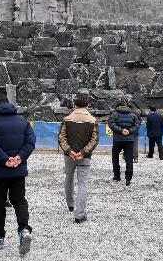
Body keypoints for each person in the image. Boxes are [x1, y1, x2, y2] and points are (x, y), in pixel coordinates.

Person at [0, 96, 36, 255]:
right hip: (18, 170)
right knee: (19, 201)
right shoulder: (23, 122)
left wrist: (5, 159)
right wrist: (19, 157)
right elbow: (31, 141)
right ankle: (24, 229)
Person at [58, 94, 99, 224]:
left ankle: (70, 204)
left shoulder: (67, 119)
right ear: (87, 106)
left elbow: (61, 137)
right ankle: (79, 214)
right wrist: (83, 152)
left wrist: (69, 151)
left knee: (68, 179)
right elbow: (94, 140)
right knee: (83, 184)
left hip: (69, 156)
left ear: (74, 105)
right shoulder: (93, 120)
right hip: (84, 157)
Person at [108, 100, 140, 186]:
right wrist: (129, 131)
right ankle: (128, 178)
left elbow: (111, 124)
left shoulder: (115, 114)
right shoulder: (133, 114)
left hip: (118, 139)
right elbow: (137, 125)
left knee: (115, 158)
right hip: (129, 140)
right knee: (129, 159)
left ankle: (117, 176)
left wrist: (121, 130)